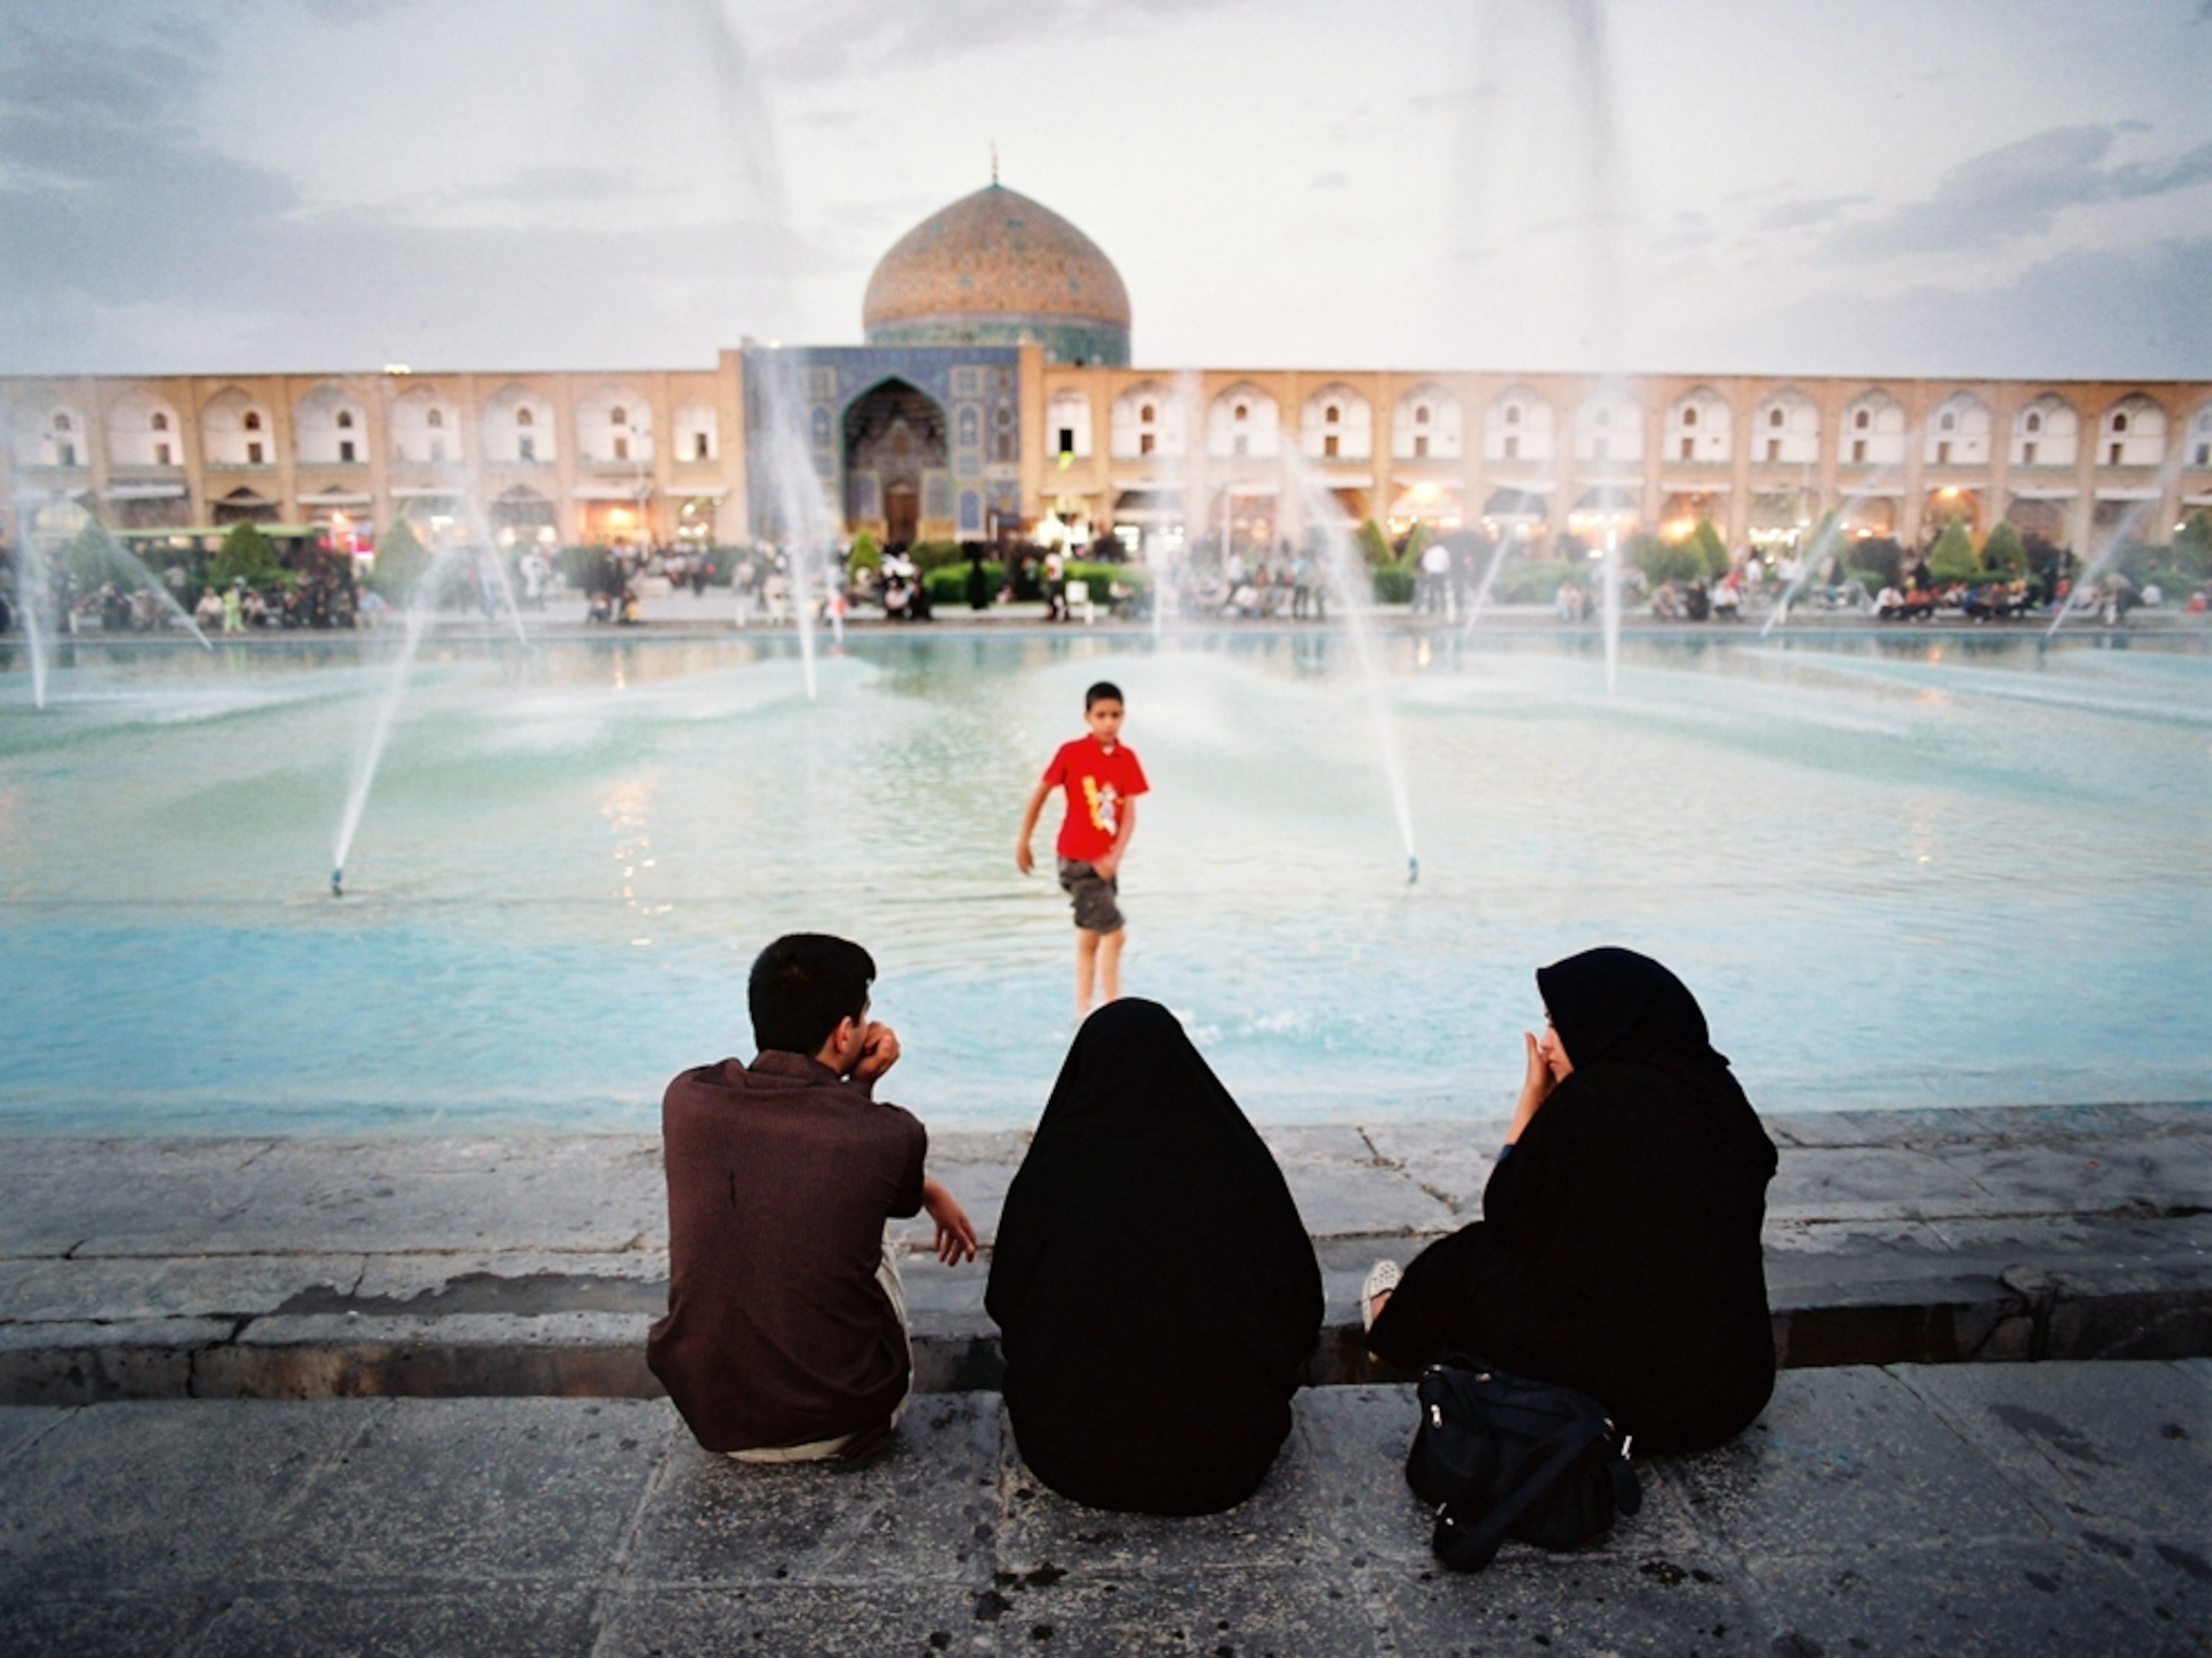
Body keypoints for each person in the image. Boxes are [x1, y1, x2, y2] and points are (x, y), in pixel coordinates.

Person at [1363, 947, 1779, 1454]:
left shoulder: (1590, 1101)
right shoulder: (1719, 1095)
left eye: (1557, 1024)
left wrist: (1532, 1101)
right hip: (1729, 1397)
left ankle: (1390, 1330)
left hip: (1626, 1407)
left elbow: (1508, 1217)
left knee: (1471, 1259)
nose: (1547, 1044)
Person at [648, 933, 979, 1462]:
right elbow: (851, 1161)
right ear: (845, 1030)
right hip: (843, 1421)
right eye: (864, 1016)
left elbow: (814, 1150)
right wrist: (861, 1087)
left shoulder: (686, 1098)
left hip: (714, 1418)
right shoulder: (891, 1134)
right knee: (869, 1230)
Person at [987, 1000, 1321, 1514]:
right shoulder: (1238, 1168)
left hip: (1069, 1456)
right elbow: (1302, 1309)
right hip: (1227, 1460)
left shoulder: (1051, 1176)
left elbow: (1005, 1300)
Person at [1015, 681, 1148, 1018]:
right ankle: (1113, 1011)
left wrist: (1114, 857)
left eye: (1115, 715)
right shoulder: (1071, 752)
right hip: (1076, 861)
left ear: (1124, 716)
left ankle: (1082, 1010)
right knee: (1115, 935)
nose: (1108, 722)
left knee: (1090, 936)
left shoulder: (1126, 758)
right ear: (1087, 717)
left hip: (1105, 863)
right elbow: (1040, 794)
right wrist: (1023, 841)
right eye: (1101, 715)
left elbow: (1130, 815)